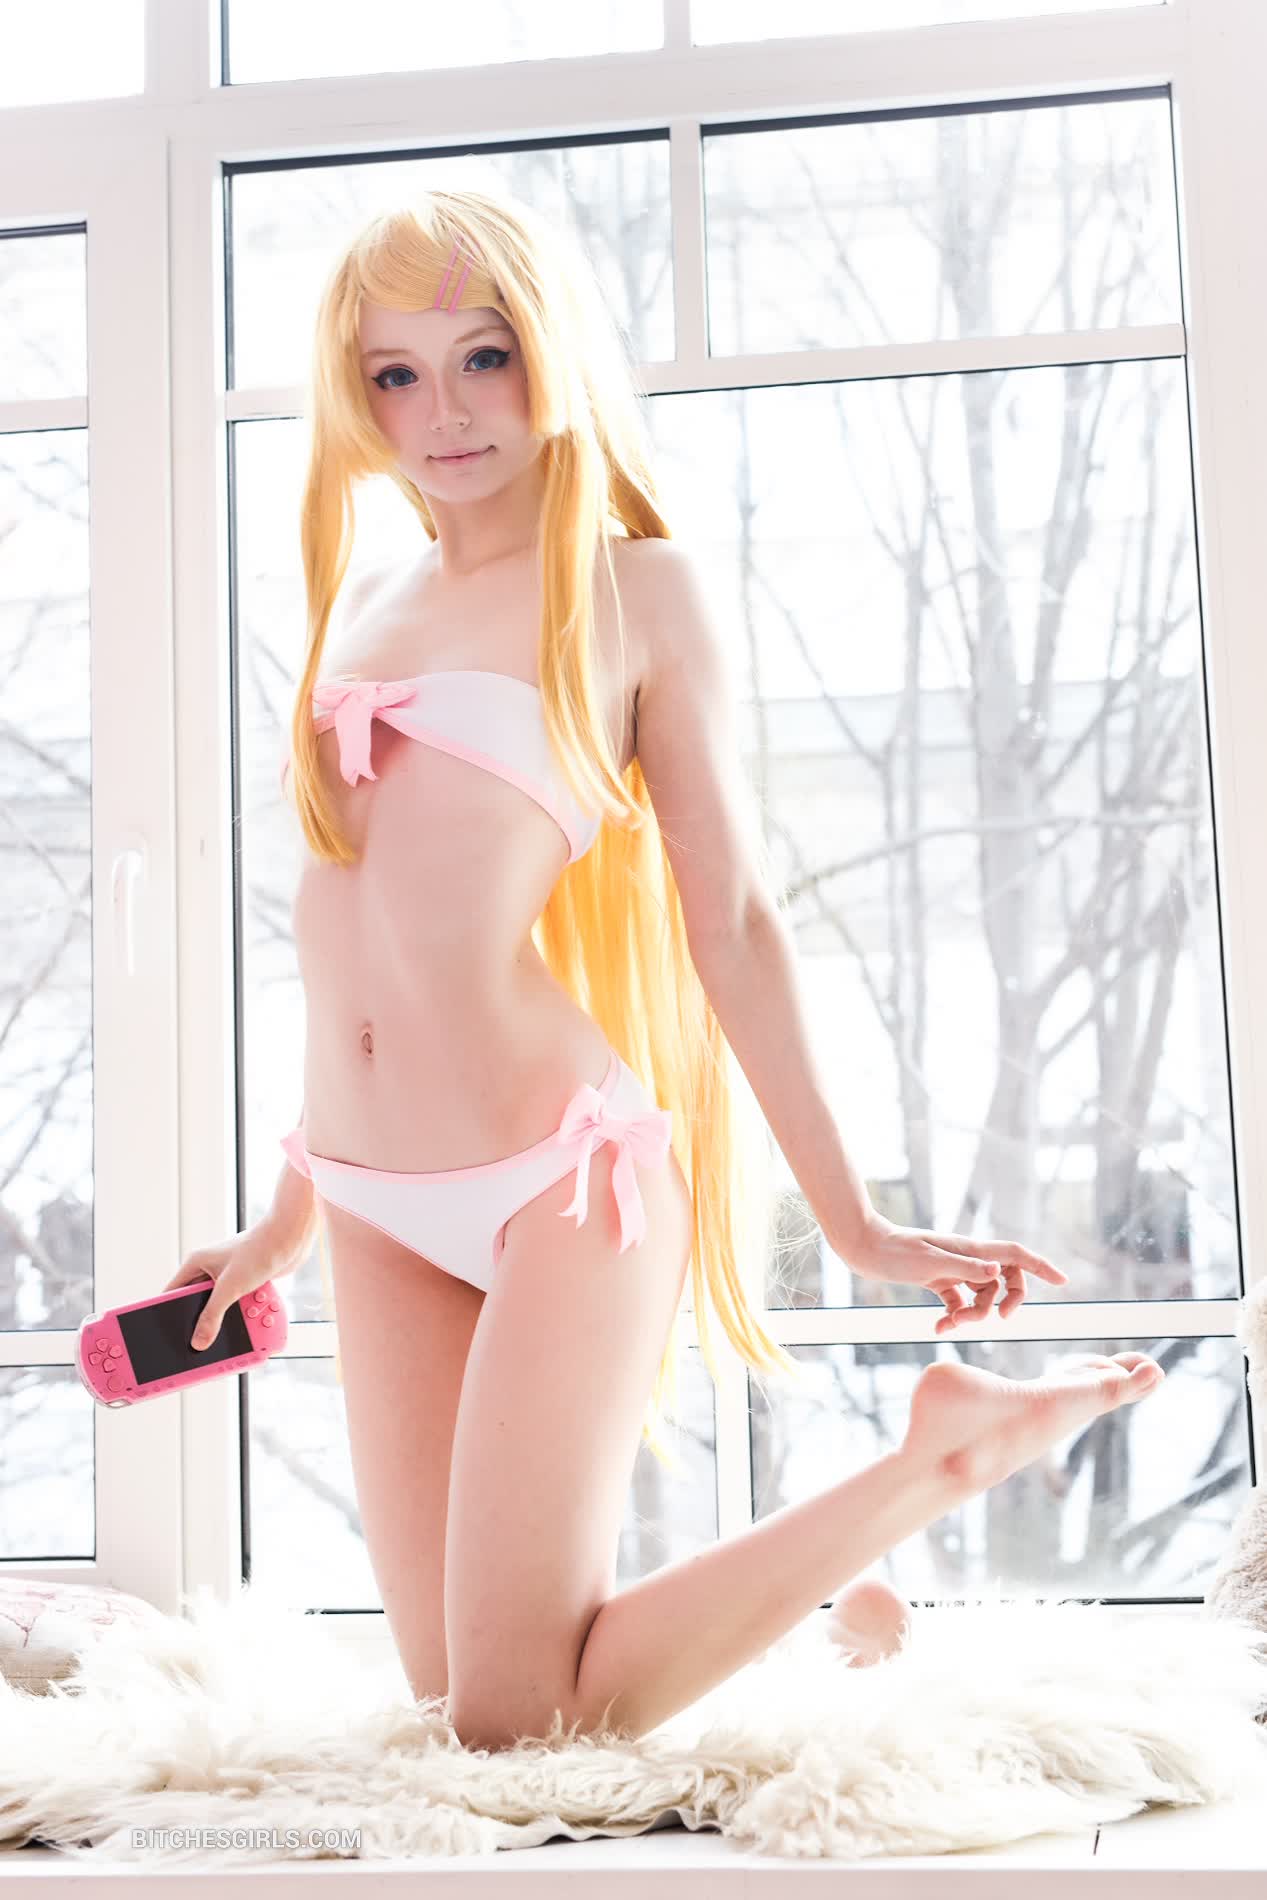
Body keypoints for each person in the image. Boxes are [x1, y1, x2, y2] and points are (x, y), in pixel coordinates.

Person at [167, 187, 1165, 1753]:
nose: (446, 411)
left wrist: (853, 1219)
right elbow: (354, 948)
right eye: (397, 375)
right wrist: (284, 1219)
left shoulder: (638, 591)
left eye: (484, 356)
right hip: (368, 1198)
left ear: (548, 353)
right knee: (457, 1705)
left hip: (560, 1184)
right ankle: (833, 1644)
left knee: (515, 1712)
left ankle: (935, 1459)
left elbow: (736, 920)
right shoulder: (367, 602)